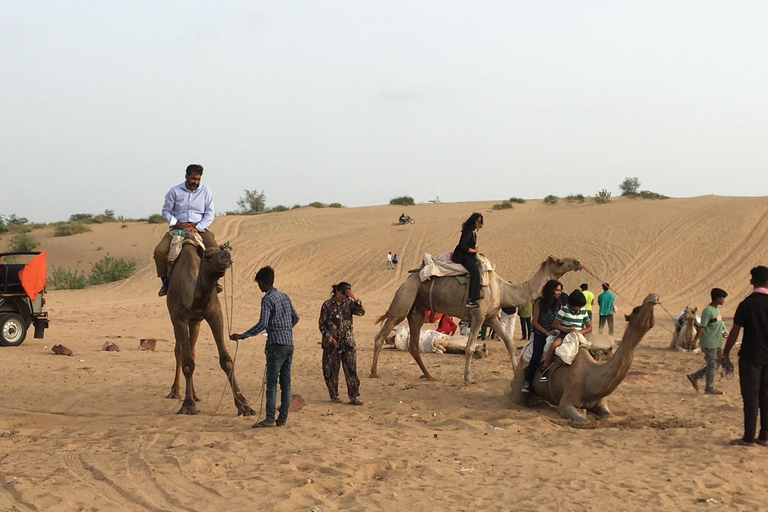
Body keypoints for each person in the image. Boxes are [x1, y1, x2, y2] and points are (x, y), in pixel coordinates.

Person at [229, 266, 299, 428]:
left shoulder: (267, 299)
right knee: (286, 382)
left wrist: (243, 335)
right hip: (289, 343)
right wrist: (285, 328)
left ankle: (269, 418)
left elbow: (262, 323)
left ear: (262, 283)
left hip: (276, 345)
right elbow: (295, 317)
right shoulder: (284, 296)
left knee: (272, 382)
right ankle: (282, 418)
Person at [153, 164, 218, 297]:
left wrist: (197, 227)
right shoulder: (174, 191)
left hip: (199, 227)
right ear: (186, 177)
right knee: (159, 252)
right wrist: (177, 224)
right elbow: (166, 211)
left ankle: (214, 281)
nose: (196, 182)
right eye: (193, 179)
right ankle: (165, 282)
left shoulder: (206, 192)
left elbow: (209, 214)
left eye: (198, 179)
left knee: (215, 250)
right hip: (178, 227)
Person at [722, 265, 768, 446]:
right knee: (766, 397)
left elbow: (734, 331)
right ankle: (764, 437)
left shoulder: (746, 304)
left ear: (751, 282)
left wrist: (726, 352)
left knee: (750, 398)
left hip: (750, 356)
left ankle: (748, 438)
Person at [319, 282, 365, 405]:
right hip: (333, 344)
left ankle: (354, 396)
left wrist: (356, 299)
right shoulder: (327, 305)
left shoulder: (349, 303)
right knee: (331, 371)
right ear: (337, 291)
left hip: (347, 342)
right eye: (344, 293)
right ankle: (334, 395)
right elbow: (322, 324)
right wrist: (328, 336)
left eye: (347, 294)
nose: (345, 296)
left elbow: (361, 312)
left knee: (351, 370)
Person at [540, 290, 592, 383]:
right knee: (554, 345)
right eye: (578, 306)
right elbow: (555, 324)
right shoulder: (564, 310)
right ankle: (544, 369)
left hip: (578, 335)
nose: (579, 308)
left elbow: (589, 327)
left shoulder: (583, 311)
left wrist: (579, 331)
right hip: (564, 334)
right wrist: (568, 330)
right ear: (572, 304)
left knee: (590, 351)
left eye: (581, 306)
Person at [522, 280, 563, 393]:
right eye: (557, 290)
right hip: (541, 334)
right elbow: (534, 322)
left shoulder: (559, 303)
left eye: (560, 290)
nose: (559, 293)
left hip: (556, 333)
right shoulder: (539, 302)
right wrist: (546, 332)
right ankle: (527, 382)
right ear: (551, 290)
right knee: (536, 356)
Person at [686, 288, 728, 395]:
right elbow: (702, 327)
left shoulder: (716, 310)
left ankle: (695, 376)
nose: (723, 300)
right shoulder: (707, 311)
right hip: (709, 342)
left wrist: (724, 332)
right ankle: (709, 388)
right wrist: (695, 340)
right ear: (718, 298)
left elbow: (719, 323)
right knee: (712, 364)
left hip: (717, 341)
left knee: (716, 363)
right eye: (722, 298)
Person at [451, 213, 483, 308]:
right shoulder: (467, 232)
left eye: (480, 221)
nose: (478, 223)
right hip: (463, 256)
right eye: (477, 221)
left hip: (469, 255)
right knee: (475, 272)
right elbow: (463, 246)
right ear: (473, 221)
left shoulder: (473, 232)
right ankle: (471, 299)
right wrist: (473, 250)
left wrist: (475, 249)